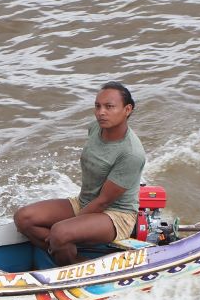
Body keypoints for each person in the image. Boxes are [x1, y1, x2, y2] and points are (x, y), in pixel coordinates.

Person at [13, 81, 147, 266]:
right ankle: (74, 260)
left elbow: (104, 201)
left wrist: (66, 228)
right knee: (24, 218)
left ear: (127, 109)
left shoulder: (131, 153)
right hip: (84, 201)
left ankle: (67, 263)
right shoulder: (95, 128)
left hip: (116, 215)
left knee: (61, 232)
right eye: (97, 106)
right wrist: (62, 232)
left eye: (109, 107)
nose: (101, 112)